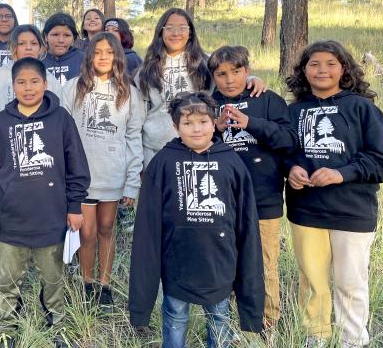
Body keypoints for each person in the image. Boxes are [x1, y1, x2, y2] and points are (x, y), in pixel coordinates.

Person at [129, 92, 264, 348]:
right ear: (175, 127)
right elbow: (149, 223)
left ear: (214, 122)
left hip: (219, 263)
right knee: (175, 318)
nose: (196, 129)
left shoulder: (231, 162)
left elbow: (245, 220)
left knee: (219, 319)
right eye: (187, 123)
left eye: (202, 121)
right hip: (178, 263)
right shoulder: (163, 163)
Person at [0, 58, 90, 348]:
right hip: (11, 221)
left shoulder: (61, 119)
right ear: (12, 86)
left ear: (46, 83)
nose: (28, 88)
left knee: (53, 279)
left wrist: (75, 205)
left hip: (51, 219)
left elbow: (77, 165)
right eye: (21, 82)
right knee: (8, 281)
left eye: (34, 81)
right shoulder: (1, 125)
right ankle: (7, 327)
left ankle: (57, 324)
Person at [285, 40, 383, 348]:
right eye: (314, 64)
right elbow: (281, 151)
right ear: (303, 71)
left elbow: (379, 158)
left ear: (344, 69)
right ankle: (315, 336)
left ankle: (353, 340)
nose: (322, 70)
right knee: (312, 281)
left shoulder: (361, 107)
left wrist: (342, 173)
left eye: (330, 63)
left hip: (352, 211)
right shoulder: (294, 111)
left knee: (350, 282)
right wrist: (290, 170)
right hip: (306, 211)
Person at [208, 45, 298, 332]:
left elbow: (288, 140)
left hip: (264, 197)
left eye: (236, 71)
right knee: (228, 261)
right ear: (213, 77)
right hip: (223, 200)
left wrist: (251, 124)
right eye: (221, 74)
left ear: (247, 71)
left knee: (264, 263)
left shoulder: (267, 99)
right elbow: (195, 146)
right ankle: (233, 320)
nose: (229, 79)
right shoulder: (209, 104)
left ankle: (267, 322)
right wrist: (217, 129)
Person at [61, 32, 144, 313]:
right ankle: (87, 282)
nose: (103, 57)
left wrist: (131, 183)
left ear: (118, 55)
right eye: (97, 52)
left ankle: (104, 285)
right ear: (89, 55)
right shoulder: (74, 88)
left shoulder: (129, 92)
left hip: (113, 173)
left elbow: (133, 137)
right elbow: (64, 135)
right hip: (83, 174)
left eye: (109, 51)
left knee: (108, 228)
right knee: (87, 233)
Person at [136, 8, 266, 168]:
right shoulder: (146, 70)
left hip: (200, 149)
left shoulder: (205, 62)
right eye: (169, 27)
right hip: (156, 151)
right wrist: (138, 162)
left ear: (190, 32)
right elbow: (137, 119)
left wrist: (252, 78)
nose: (176, 33)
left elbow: (229, 75)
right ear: (160, 32)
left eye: (182, 27)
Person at [0, 24, 62, 124]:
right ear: (13, 47)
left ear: (40, 48)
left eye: (34, 43)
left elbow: (58, 117)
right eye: (21, 44)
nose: (28, 48)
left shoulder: (50, 79)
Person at [42, 12, 85, 86]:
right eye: (55, 35)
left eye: (67, 35)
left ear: (73, 38)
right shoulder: (38, 60)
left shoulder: (83, 59)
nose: (61, 40)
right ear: (46, 36)